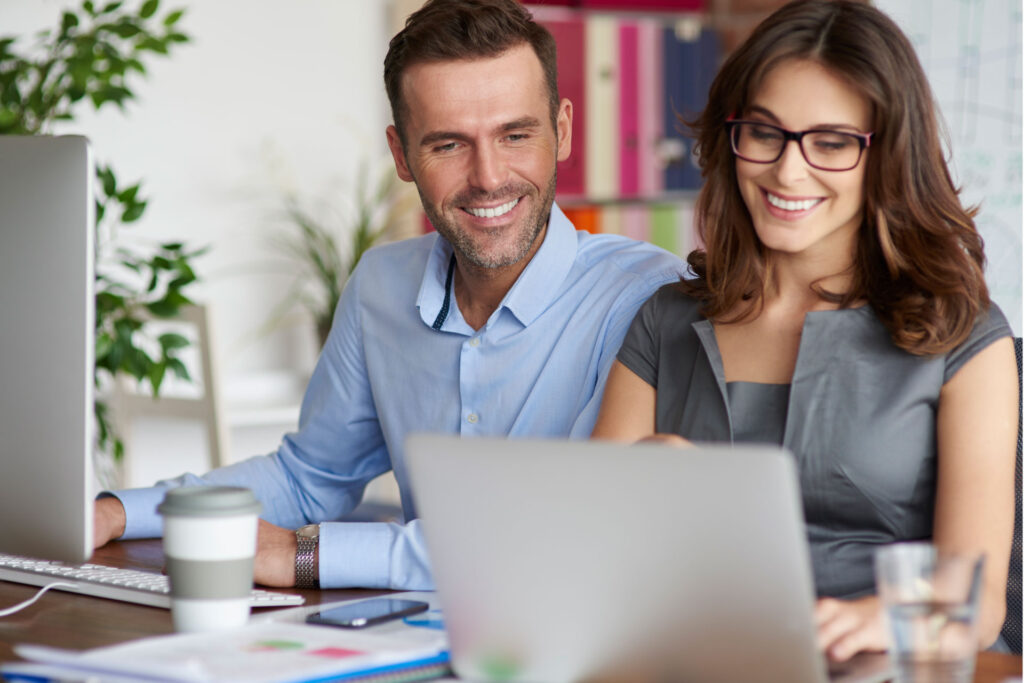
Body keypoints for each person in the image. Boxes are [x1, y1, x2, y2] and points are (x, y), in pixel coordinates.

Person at [91, 0, 684, 591]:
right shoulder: (379, 285)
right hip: (403, 643)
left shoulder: (646, 298)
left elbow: (560, 534)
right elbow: (309, 477)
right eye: (448, 145)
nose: (488, 177)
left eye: (515, 134)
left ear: (561, 130)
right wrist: (119, 512)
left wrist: (306, 555)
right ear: (401, 155)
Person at [592, 0, 1017, 663]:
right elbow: (588, 556)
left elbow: (978, 602)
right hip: (693, 658)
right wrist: (631, 489)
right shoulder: (665, 321)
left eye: (832, 142)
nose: (788, 171)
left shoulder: (963, 335)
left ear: (887, 156)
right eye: (764, 133)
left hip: (883, 666)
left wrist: (888, 619)